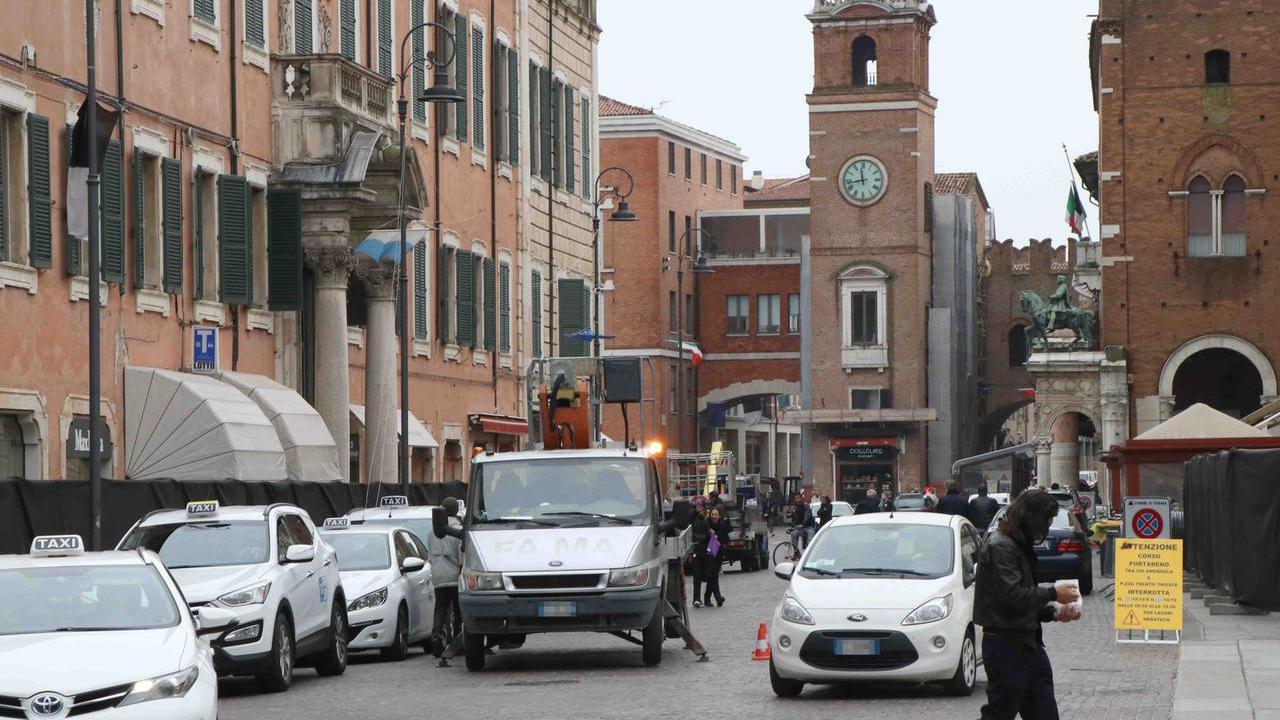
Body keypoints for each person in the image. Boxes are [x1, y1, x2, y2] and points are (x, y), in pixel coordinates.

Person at [975, 488, 1080, 720]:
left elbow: (1024, 596)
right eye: (1047, 519)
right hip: (1006, 646)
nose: (1049, 526)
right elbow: (1012, 596)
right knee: (1000, 712)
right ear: (1032, 517)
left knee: (1044, 712)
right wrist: (1053, 592)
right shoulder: (1001, 546)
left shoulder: (1018, 544)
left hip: (1028, 643)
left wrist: (1054, 612)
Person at [427, 497, 463, 656]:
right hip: (455, 576)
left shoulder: (431, 532)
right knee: (458, 610)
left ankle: (435, 637)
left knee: (440, 609)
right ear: (456, 511)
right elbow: (462, 556)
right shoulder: (459, 530)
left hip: (438, 577)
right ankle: (457, 641)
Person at [699, 507, 731, 608]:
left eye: (716, 514)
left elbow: (726, 539)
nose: (714, 516)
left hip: (718, 554)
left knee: (713, 575)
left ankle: (707, 598)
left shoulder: (722, 525)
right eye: (712, 514)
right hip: (708, 554)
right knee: (713, 575)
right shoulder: (706, 524)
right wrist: (710, 535)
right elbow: (702, 536)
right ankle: (717, 597)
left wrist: (717, 536)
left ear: (719, 516)